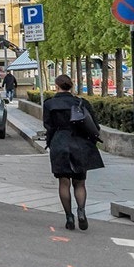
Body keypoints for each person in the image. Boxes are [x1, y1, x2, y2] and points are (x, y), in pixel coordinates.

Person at [42, 73, 103, 230]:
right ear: (71, 86)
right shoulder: (82, 102)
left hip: (60, 142)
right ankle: (81, 210)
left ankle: (69, 217)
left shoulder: (50, 104)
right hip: (80, 143)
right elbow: (95, 125)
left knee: (64, 182)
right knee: (80, 183)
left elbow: (48, 126)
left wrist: (51, 142)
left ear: (56, 86)